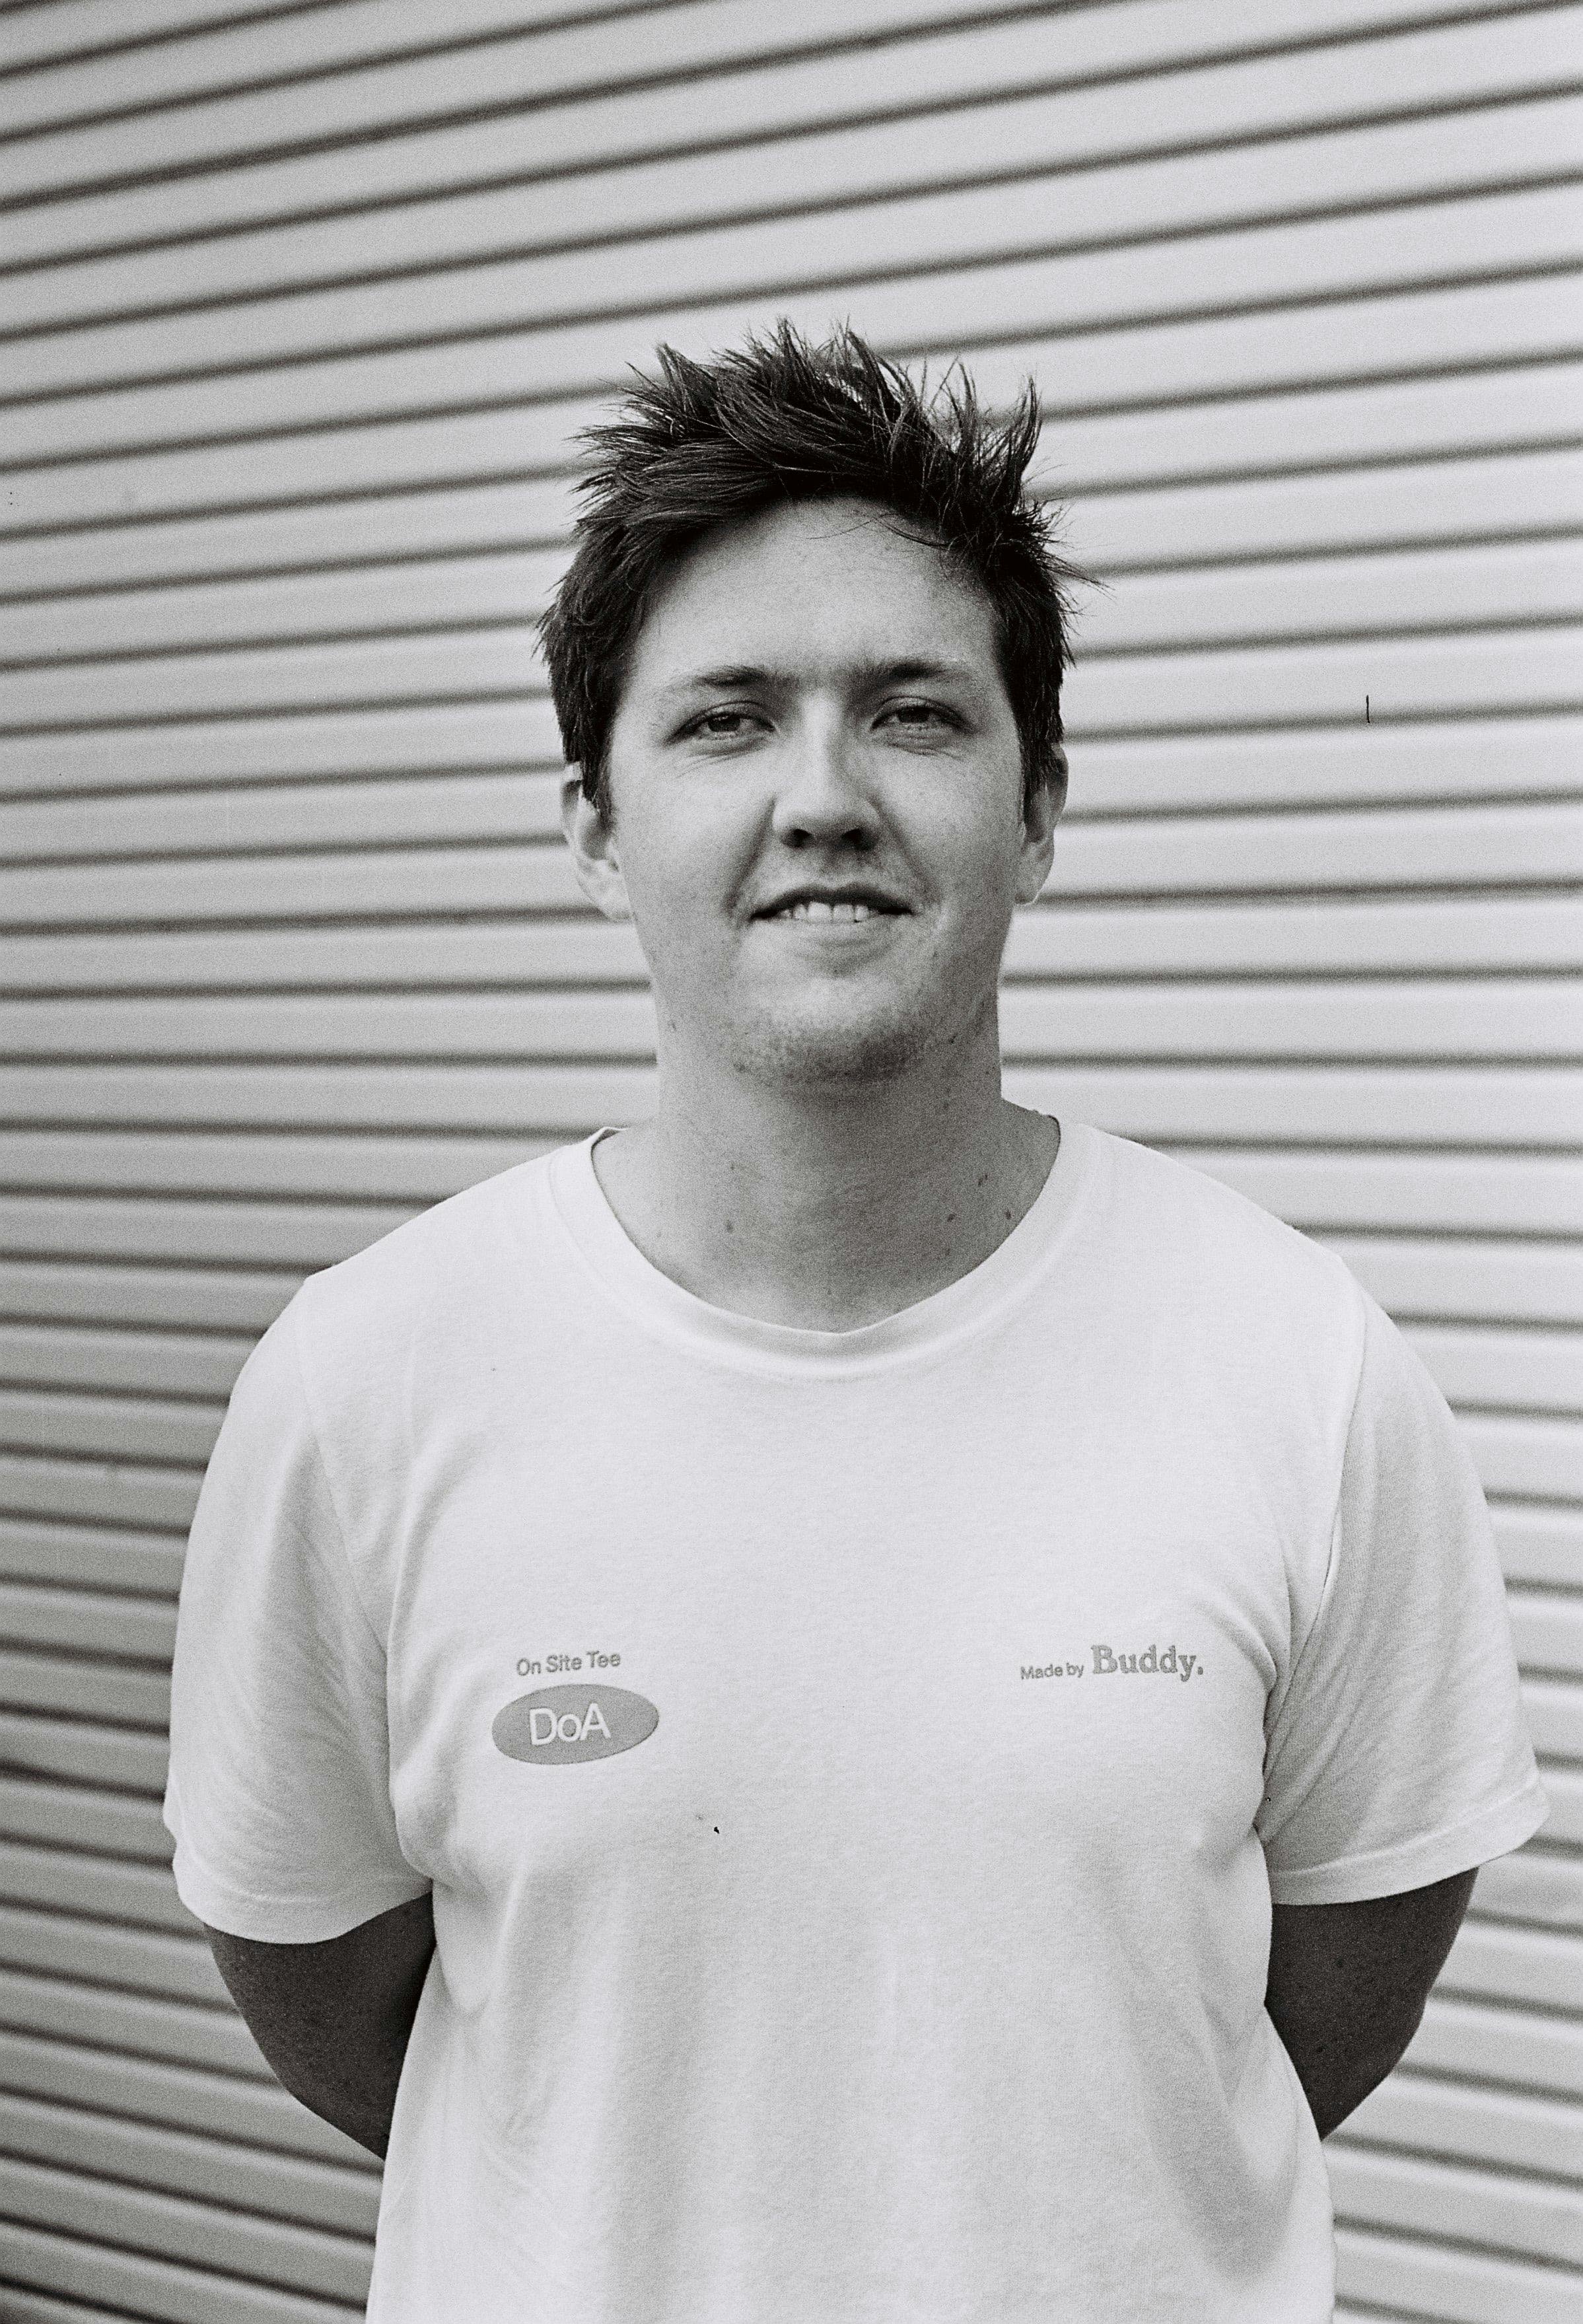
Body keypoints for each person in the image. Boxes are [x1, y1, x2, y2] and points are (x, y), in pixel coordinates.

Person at [165, 325, 1546, 2323]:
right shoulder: (366, 1383)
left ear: (1038, 807)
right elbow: (325, 1986)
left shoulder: (1298, 1366)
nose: (823, 799)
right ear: (595, 825)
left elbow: (1327, 1991)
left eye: (912, 714)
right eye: (726, 721)